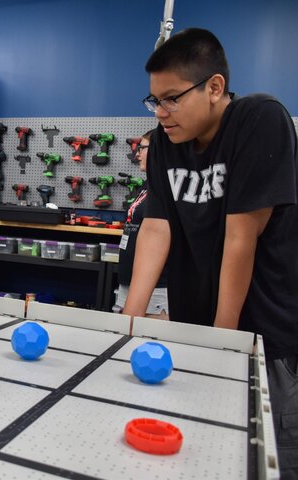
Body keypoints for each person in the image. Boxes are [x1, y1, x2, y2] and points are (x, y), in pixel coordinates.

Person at [122, 28, 298, 476]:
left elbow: (242, 239)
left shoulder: (260, 119)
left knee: (264, 459)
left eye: (172, 99)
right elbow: (157, 226)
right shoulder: (165, 142)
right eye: (153, 102)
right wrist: (126, 321)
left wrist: (224, 346)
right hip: (196, 329)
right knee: (201, 455)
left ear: (215, 87)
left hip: (263, 336)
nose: (160, 113)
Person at [113, 130, 168, 319]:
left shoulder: (166, 187)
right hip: (129, 280)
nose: (137, 153)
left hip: (156, 288)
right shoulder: (147, 185)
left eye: (142, 148)